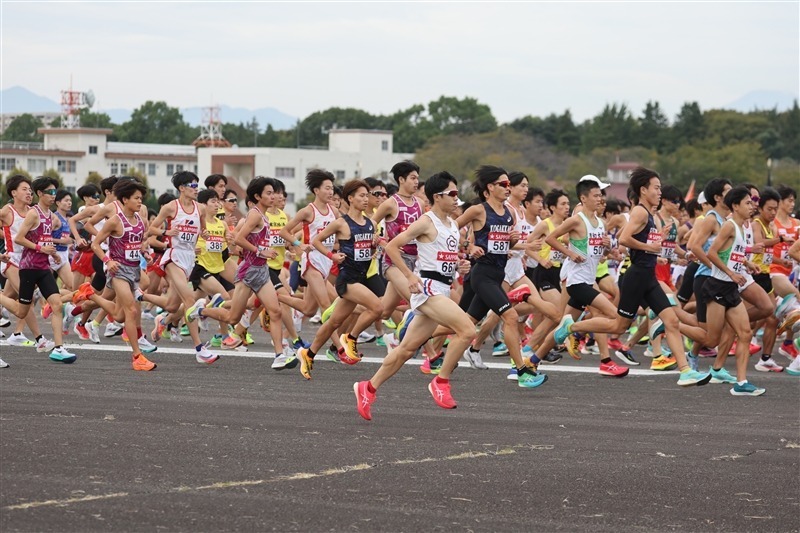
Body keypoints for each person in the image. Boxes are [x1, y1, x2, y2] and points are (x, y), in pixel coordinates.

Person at [554, 167, 711, 387]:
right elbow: (625, 239)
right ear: (643, 190)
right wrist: (650, 247)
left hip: (648, 277)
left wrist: (677, 250)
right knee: (619, 326)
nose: (659, 192)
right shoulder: (639, 212)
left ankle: (685, 371)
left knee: (672, 320)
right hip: (636, 276)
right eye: (656, 188)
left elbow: (656, 244)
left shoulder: (652, 215)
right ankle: (571, 327)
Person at [353, 171, 476, 419]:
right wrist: (409, 276)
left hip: (442, 286)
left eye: (457, 194)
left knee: (406, 350)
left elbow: (444, 258)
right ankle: (440, 383)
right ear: (436, 196)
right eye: (451, 194)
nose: (456, 199)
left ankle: (368, 387)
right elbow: (391, 246)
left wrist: (460, 266)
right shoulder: (426, 221)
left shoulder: (453, 225)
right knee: (468, 330)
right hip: (427, 288)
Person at [456, 165, 546, 388]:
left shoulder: (509, 213)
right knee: (511, 317)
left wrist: (514, 240)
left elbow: (505, 245)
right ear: (490, 187)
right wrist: (468, 247)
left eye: (509, 184)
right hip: (483, 275)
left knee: (464, 322)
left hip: (498, 275)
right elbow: (451, 229)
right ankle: (522, 370)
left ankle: (417, 331)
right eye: (504, 184)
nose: (508, 188)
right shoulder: (478, 210)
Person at [189, 177, 287, 365]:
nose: (273, 196)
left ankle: (279, 356)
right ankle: (200, 310)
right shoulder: (255, 214)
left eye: (273, 192)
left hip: (262, 270)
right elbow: (239, 239)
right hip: (248, 271)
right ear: (257, 196)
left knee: (275, 312)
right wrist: (261, 251)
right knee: (233, 317)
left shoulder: (265, 215)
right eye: (268, 193)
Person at [296, 179, 384, 379]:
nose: (365, 199)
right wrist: (332, 256)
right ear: (350, 199)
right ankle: (350, 338)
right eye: (361, 195)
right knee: (377, 308)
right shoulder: (341, 223)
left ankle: (308, 354)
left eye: (366, 195)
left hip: (360, 278)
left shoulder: (371, 223)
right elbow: (316, 240)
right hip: (347, 280)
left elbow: (368, 250)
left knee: (333, 322)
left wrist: (374, 246)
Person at [148, 171, 218, 364]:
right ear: (181, 188)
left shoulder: (200, 209)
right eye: (193, 185)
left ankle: (147, 305)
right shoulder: (172, 207)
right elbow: (151, 229)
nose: (196, 189)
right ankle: (199, 349)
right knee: (189, 300)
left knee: (171, 305)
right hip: (173, 257)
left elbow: (203, 231)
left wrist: (208, 237)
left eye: (197, 185)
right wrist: (166, 231)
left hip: (189, 259)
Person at [703, 186, 765, 396]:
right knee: (711, 340)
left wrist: (747, 264)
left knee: (745, 333)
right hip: (718, 286)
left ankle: (741, 382)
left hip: (731, 288)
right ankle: (668, 323)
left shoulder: (741, 228)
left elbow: (732, 252)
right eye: (748, 202)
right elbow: (711, 253)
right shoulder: (729, 226)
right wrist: (730, 273)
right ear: (735, 206)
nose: (752, 206)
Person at [91, 179, 157, 371]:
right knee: (131, 311)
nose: (140, 202)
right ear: (125, 199)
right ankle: (137, 357)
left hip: (134, 270)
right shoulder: (115, 221)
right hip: (118, 271)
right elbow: (95, 244)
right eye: (136, 198)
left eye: (141, 198)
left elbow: (139, 244)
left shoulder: (141, 221)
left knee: (120, 316)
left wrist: (146, 254)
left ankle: (90, 294)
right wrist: (107, 261)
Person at [9, 177, 75, 362]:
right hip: (28, 268)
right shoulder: (34, 214)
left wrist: (51, 254)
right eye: (50, 192)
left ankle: (58, 348)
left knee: (56, 304)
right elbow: (19, 238)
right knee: (22, 312)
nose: (54, 195)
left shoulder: (50, 216)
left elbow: (44, 240)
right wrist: (40, 249)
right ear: (40, 194)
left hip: (44, 267)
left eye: (55, 192)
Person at [0, 174, 54, 352]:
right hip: (12, 260)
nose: (29, 193)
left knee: (10, 298)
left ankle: (16, 334)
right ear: (13, 192)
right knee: (27, 300)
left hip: (29, 261)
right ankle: (40, 339)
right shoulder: (7, 211)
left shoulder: (33, 211)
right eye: (24, 189)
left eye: (30, 190)